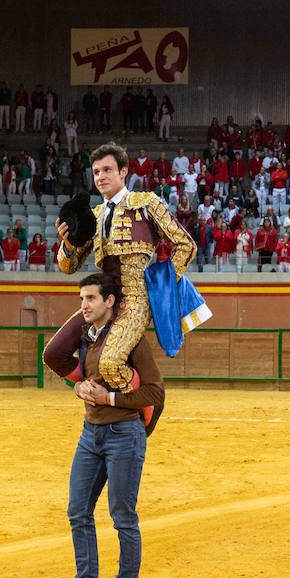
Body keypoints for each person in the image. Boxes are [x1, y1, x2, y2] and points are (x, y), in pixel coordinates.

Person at [41, 273, 164, 578]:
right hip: (90, 433)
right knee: (78, 510)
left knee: (122, 515)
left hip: (124, 434)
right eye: (82, 298)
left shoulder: (131, 340)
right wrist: (77, 388)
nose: (84, 305)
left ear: (110, 301)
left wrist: (109, 398)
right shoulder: (86, 338)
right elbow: (76, 375)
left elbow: (154, 392)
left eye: (91, 298)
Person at [55, 143, 196, 393]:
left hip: (135, 299)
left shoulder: (146, 204)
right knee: (55, 353)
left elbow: (186, 245)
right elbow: (69, 266)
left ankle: (142, 409)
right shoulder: (94, 215)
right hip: (102, 300)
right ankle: (92, 387)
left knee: (110, 364)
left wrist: (160, 285)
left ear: (123, 172)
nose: (101, 177)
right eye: (96, 172)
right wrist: (66, 244)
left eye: (107, 170)